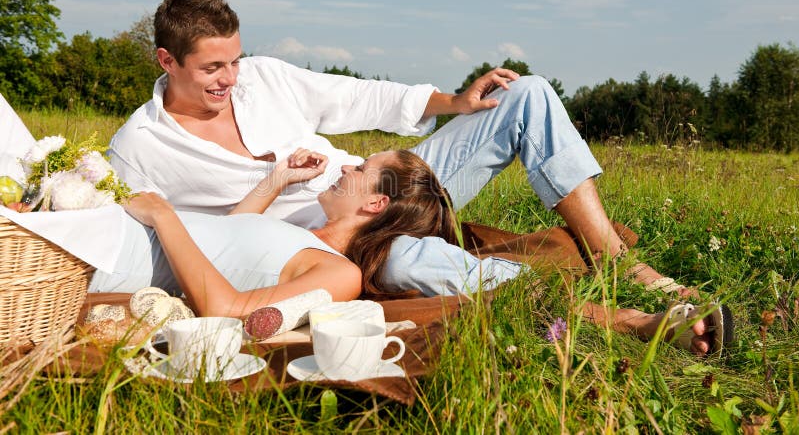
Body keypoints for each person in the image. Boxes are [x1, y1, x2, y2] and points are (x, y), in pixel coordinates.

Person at [108, 0, 686, 297]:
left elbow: (362, 100)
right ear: (167, 60)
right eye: (213, 68)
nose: (230, 79)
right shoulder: (140, 145)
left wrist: (455, 104)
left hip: (369, 184)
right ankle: (560, 302)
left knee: (527, 93)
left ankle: (618, 264)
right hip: (324, 244)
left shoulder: (262, 77)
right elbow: (138, 230)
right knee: (405, 259)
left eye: (234, 60)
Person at [113, 148, 724, 356]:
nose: (345, 166)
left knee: (490, 288)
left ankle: (639, 321)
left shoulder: (395, 254)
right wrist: (274, 182)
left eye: (361, 168)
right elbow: (225, 241)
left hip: (429, 275)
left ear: (375, 205)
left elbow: (512, 290)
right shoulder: (304, 223)